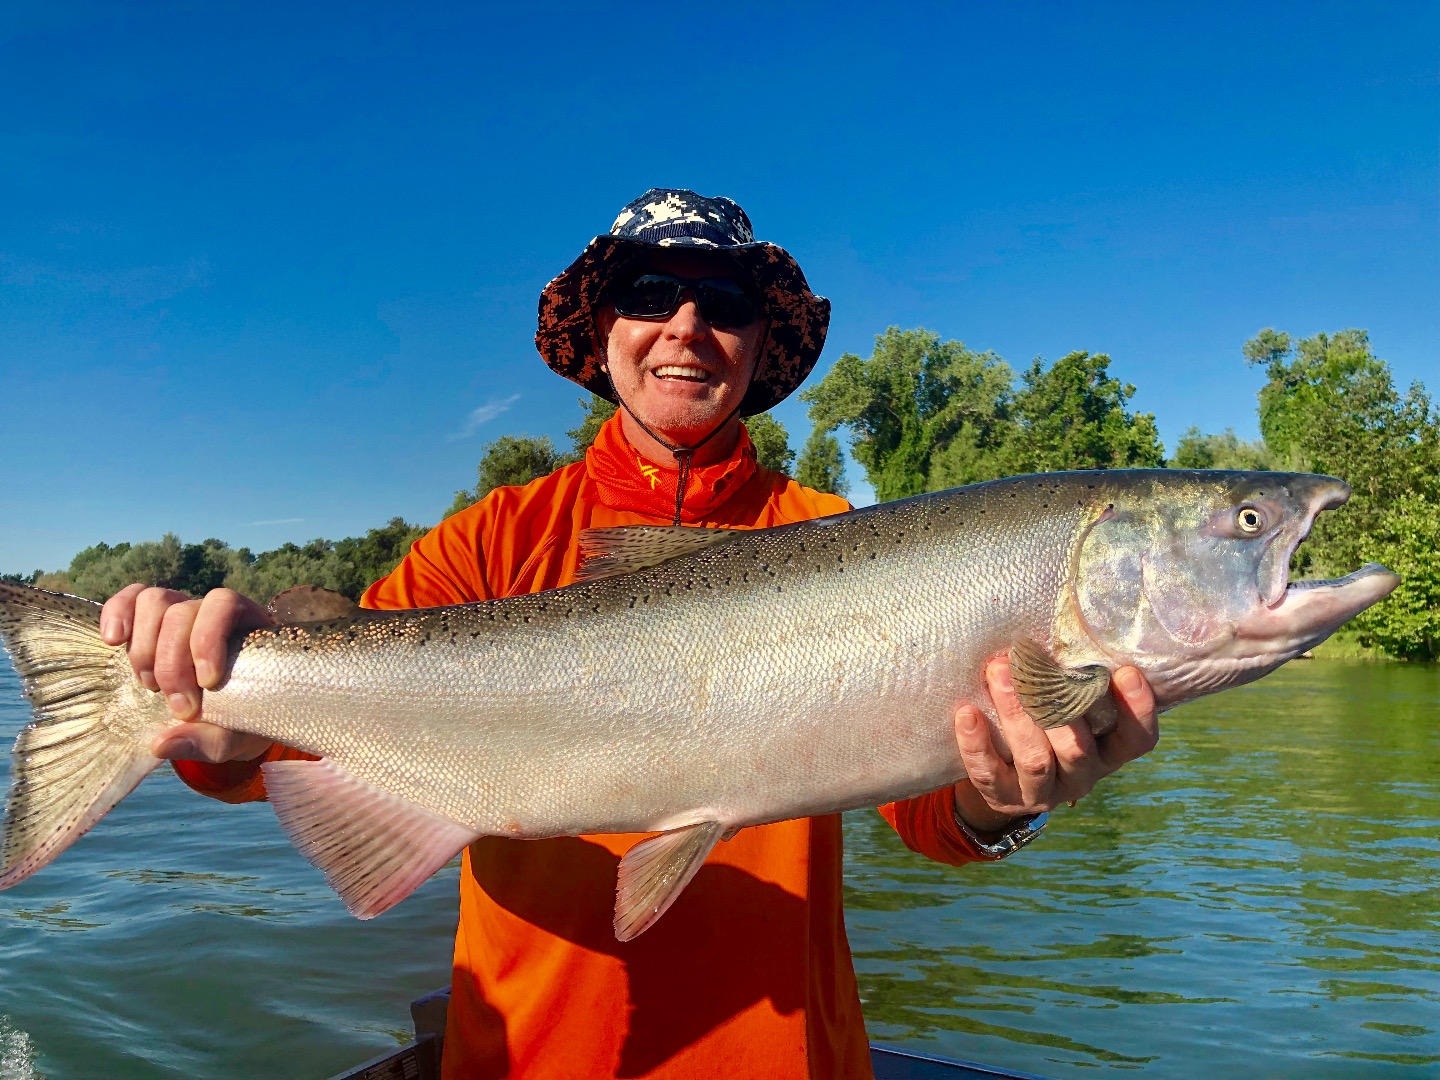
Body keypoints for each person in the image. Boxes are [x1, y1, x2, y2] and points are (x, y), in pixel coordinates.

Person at [99, 189, 1159, 1079]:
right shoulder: (490, 541)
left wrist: (1002, 801)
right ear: (604, 334)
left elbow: (934, 815)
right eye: (652, 294)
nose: (688, 326)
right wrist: (207, 707)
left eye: (727, 302)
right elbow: (283, 745)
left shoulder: (841, 535)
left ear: (759, 343)